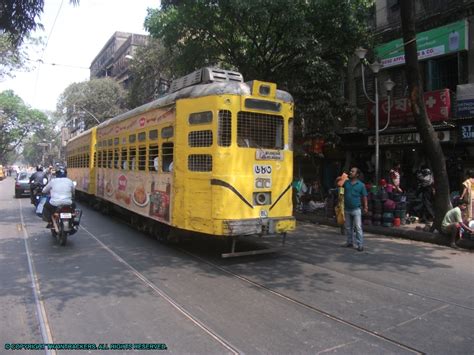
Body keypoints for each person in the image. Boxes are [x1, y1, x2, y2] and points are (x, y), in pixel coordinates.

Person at [341, 167, 368, 252]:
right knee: (348, 227)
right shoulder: (346, 183)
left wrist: (366, 207)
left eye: (352, 171)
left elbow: (364, 197)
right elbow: (338, 185)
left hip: (356, 209)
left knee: (358, 227)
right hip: (347, 208)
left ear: (357, 174)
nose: (350, 172)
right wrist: (340, 178)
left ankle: (360, 245)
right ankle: (349, 242)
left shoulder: (361, 185)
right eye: (350, 171)